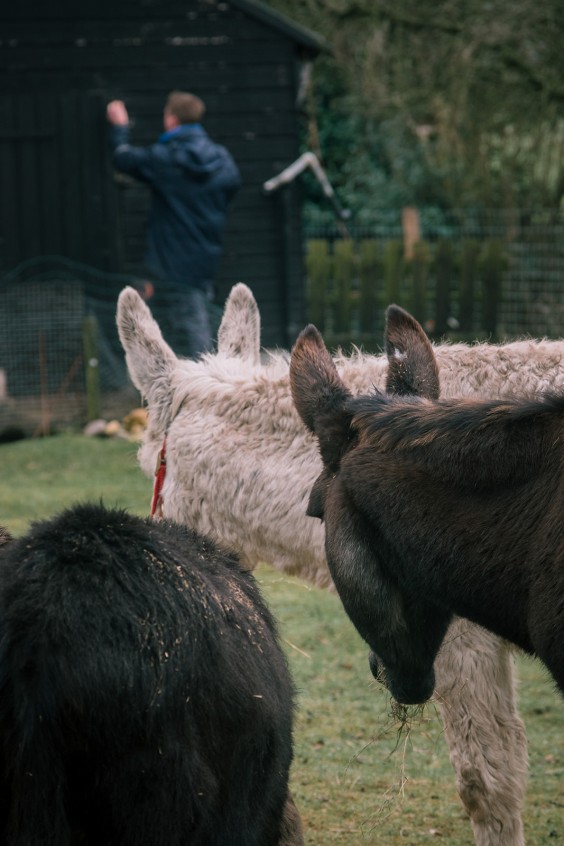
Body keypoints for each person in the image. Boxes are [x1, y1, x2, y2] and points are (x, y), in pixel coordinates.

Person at [106, 92, 241, 358]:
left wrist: (120, 127)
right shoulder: (222, 158)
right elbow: (232, 186)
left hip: (171, 261)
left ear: (171, 119)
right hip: (206, 255)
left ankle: (206, 391)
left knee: (191, 328)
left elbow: (123, 159)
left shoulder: (166, 157)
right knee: (195, 317)